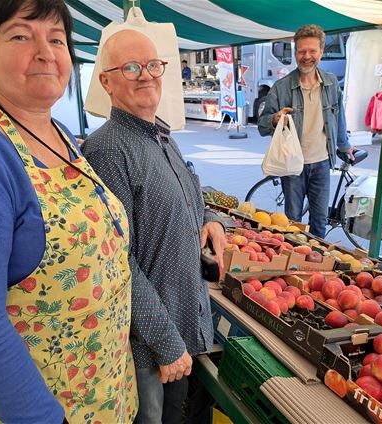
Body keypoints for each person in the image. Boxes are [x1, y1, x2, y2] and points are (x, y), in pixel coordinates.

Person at [0, 1, 137, 423]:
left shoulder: (61, 137)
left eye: (56, 38)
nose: (46, 51)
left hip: (107, 394)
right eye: (19, 35)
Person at [82, 30, 227, 423]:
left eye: (152, 65)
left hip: (187, 326)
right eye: (131, 67)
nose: (145, 75)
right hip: (151, 351)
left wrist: (210, 220)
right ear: (107, 82)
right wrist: (166, 342)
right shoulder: (107, 150)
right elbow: (118, 261)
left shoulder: (161, 136)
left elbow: (189, 193)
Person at [258, 24, 355, 238]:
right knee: (292, 222)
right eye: (301, 51)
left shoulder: (330, 83)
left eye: (312, 51)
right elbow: (262, 125)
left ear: (321, 52)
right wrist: (275, 119)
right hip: (293, 164)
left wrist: (345, 145)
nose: (306, 56)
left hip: (321, 162)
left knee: (319, 221)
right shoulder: (281, 88)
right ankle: (293, 264)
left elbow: (338, 118)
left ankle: (315, 265)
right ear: (295, 53)